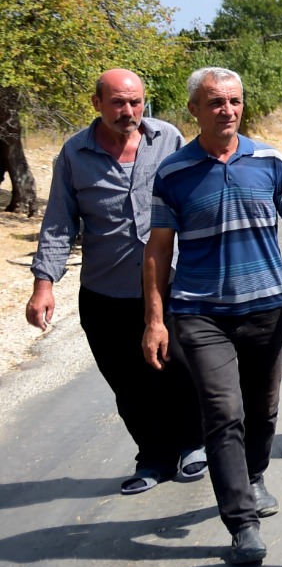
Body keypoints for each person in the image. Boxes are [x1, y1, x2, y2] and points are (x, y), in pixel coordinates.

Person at [143, 67, 282, 566]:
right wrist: (155, 319)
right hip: (199, 313)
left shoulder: (270, 162)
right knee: (223, 413)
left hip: (266, 305)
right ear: (193, 108)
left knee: (262, 409)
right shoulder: (173, 173)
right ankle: (242, 524)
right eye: (216, 102)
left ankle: (255, 474)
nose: (227, 111)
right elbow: (157, 252)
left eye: (235, 101)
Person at [28, 69, 205, 496]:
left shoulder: (168, 139)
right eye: (118, 103)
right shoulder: (74, 154)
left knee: (183, 368)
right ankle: (154, 457)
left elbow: (193, 202)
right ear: (97, 104)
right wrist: (44, 283)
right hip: (106, 293)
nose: (128, 111)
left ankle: (194, 442)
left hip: (171, 285)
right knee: (129, 382)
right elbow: (58, 222)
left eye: (135, 102)